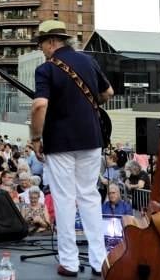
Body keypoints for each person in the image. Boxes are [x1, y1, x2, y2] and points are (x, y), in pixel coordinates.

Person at [29, 20, 113, 278]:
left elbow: (39, 105)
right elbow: (108, 92)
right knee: (89, 196)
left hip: (60, 141)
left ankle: (69, 262)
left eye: (42, 44)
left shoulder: (46, 69)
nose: (42, 49)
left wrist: (35, 137)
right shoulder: (89, 61)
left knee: (64, 199)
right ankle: (100, 261)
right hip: (91, 138)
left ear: (51, 42)